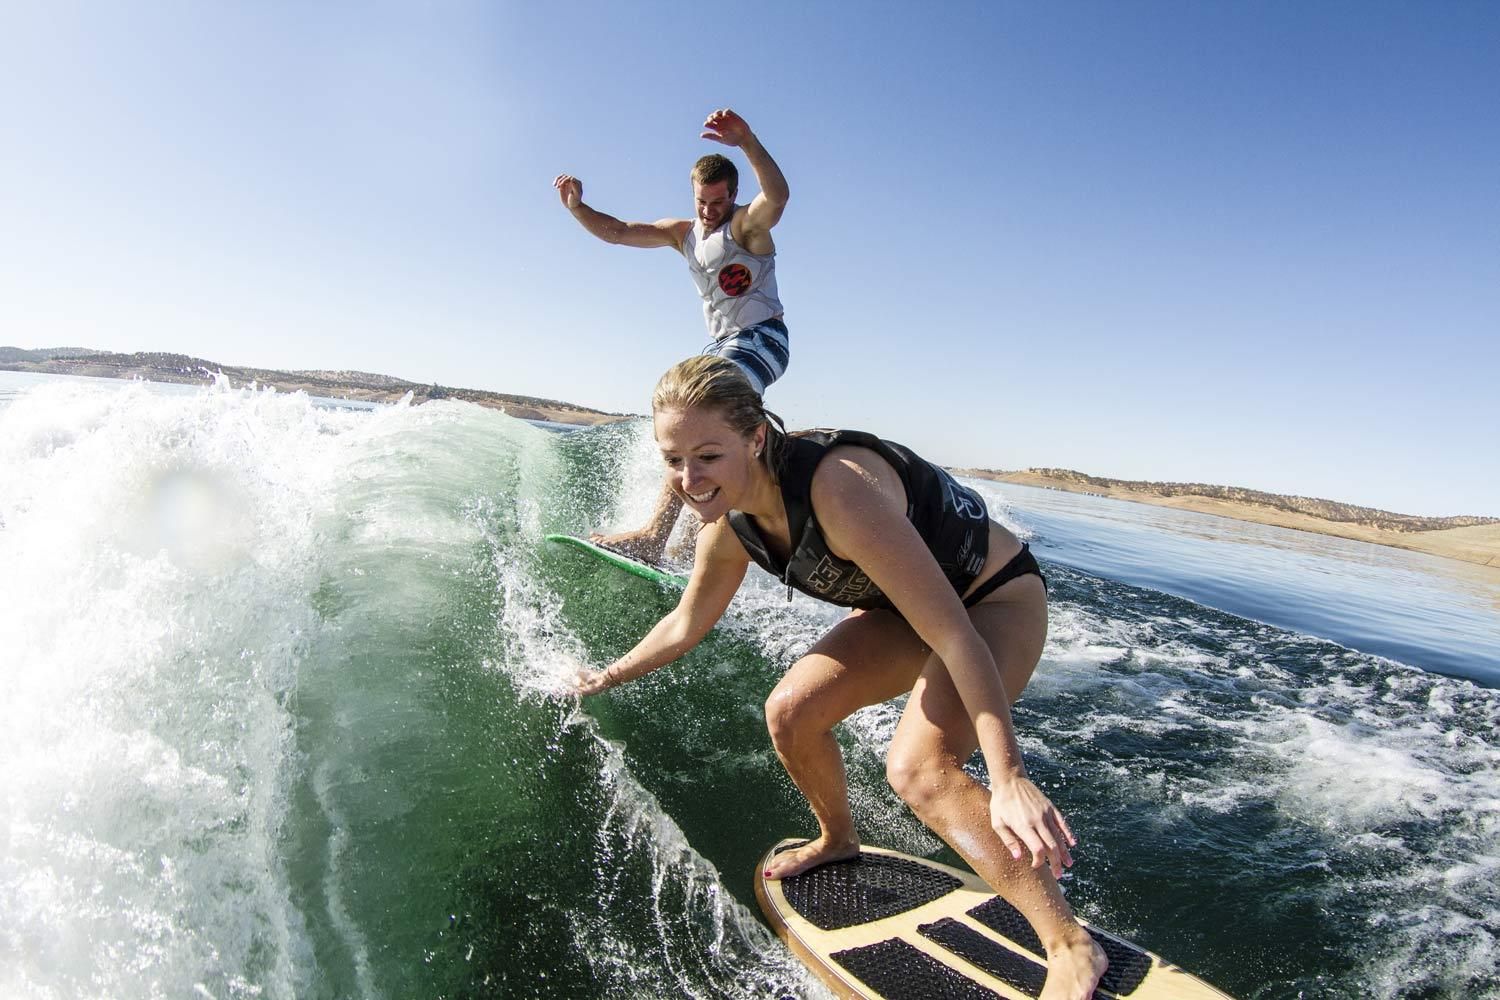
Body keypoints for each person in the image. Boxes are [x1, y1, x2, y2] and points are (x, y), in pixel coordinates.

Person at [573, 356, 1109, 999]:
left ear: (756, 438)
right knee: (791, 713)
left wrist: (1009, 777)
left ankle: (1069, 941)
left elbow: (955, 634)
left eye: (708, 455)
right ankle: (837, 839)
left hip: (991, 601)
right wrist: (605, 676)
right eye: (673, 460)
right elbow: (685, 624)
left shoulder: (840, 491)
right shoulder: (731, 528)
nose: (689, 478)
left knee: (919, 769)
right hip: (905, 609)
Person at [553, 107, 791, 563]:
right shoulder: (683, 234)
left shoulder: (746, 227)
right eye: (701, 201)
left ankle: (652, 536)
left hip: (763, 339)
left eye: (718, 202)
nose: (708, 210)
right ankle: (690, 545)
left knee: (694, 403)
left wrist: (747, 141)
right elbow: (619, 232)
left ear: (734, 196)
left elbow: (777, 197)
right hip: (724, 347)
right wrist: (578, 207)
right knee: (695, 423)